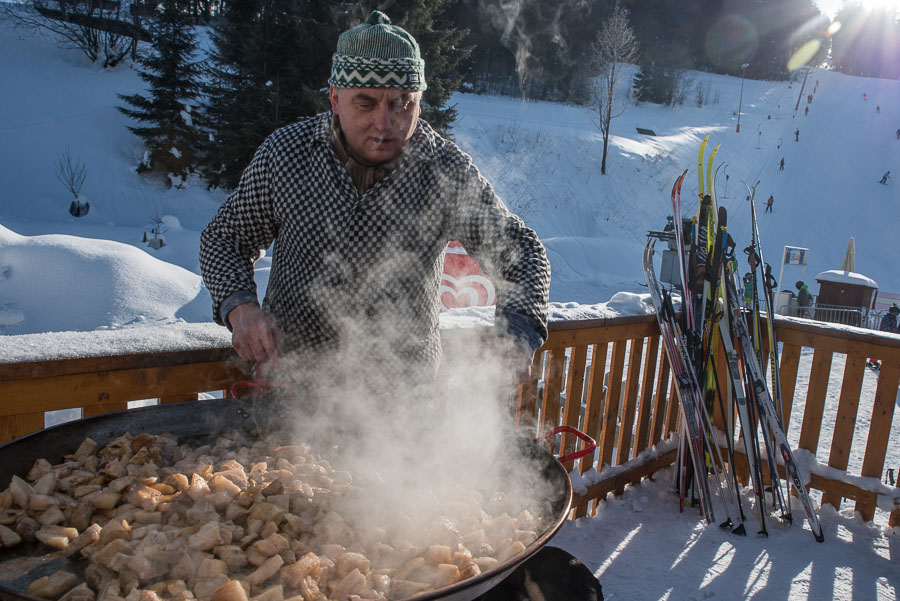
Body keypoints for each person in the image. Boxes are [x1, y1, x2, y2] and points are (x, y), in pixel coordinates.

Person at [199, 11, 551, 405]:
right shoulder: (286, 155)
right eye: (365, 104)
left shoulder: (445, 170)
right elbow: (224, 240)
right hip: (290, 393)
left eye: (403, 104)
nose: (384, 124)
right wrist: (241, 308)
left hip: (402, 408)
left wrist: (515, 334)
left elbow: (521, 254)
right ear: (335, 97)